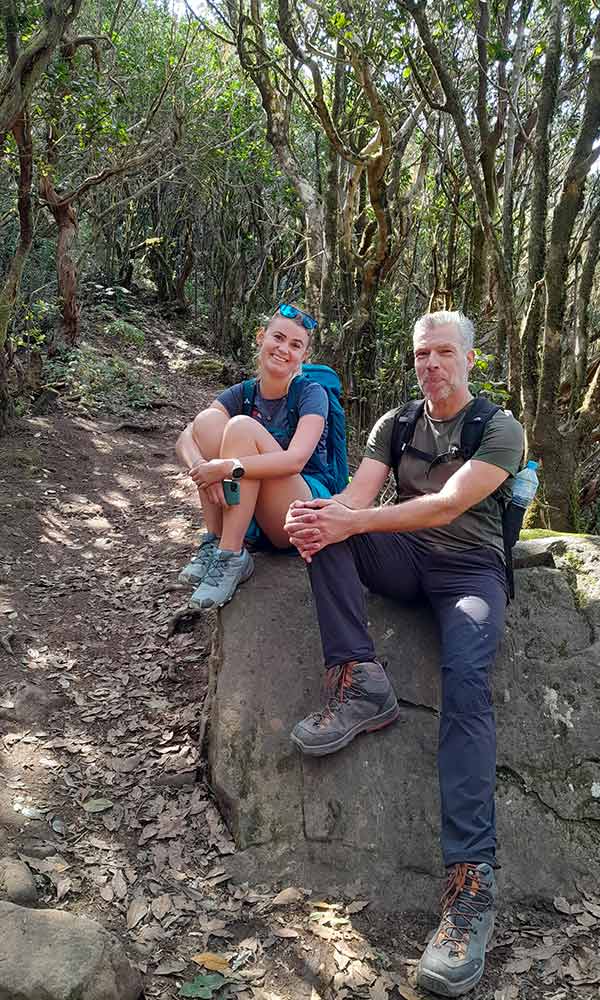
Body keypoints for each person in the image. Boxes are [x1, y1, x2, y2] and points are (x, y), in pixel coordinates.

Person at [285, 310, 524, 998]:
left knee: (466, 685)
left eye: (444, 353)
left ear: (469, 360)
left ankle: (470, 894)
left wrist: (352, 518)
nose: (432, 365)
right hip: (405, 557)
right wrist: (321, 516)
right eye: (422, 355)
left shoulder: (499, 429)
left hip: (471, 573)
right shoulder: (394, 423)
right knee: (324, 530)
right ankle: (361, 682)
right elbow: (357, 499)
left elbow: (448, 504)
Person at [175, 303, 331, 610]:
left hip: (299, 508)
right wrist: (202, 468)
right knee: (207, 421)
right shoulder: (243, 393)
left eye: (296, 345)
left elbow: (295, 460)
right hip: (257, 511)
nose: (284, 349)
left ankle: (231, 555)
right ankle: (215, 540)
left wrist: (227, 468)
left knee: (241, 428)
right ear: (261, 337)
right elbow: (186, 436)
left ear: (304, 356)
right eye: (278, 337)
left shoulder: (311, 393)